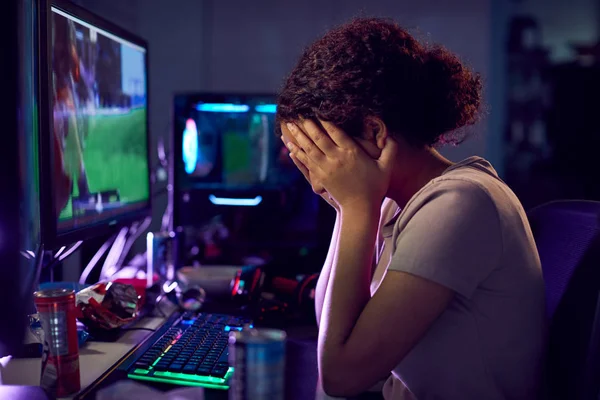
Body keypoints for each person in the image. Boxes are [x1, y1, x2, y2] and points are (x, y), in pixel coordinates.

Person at [276, 18, 546, 400]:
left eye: (319, 154)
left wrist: (355, 206)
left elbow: (340, 376)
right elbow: (332, 327)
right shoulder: (390, 204)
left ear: (374, 133)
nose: (315, 177)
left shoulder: (461, 202)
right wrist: (343, 207)